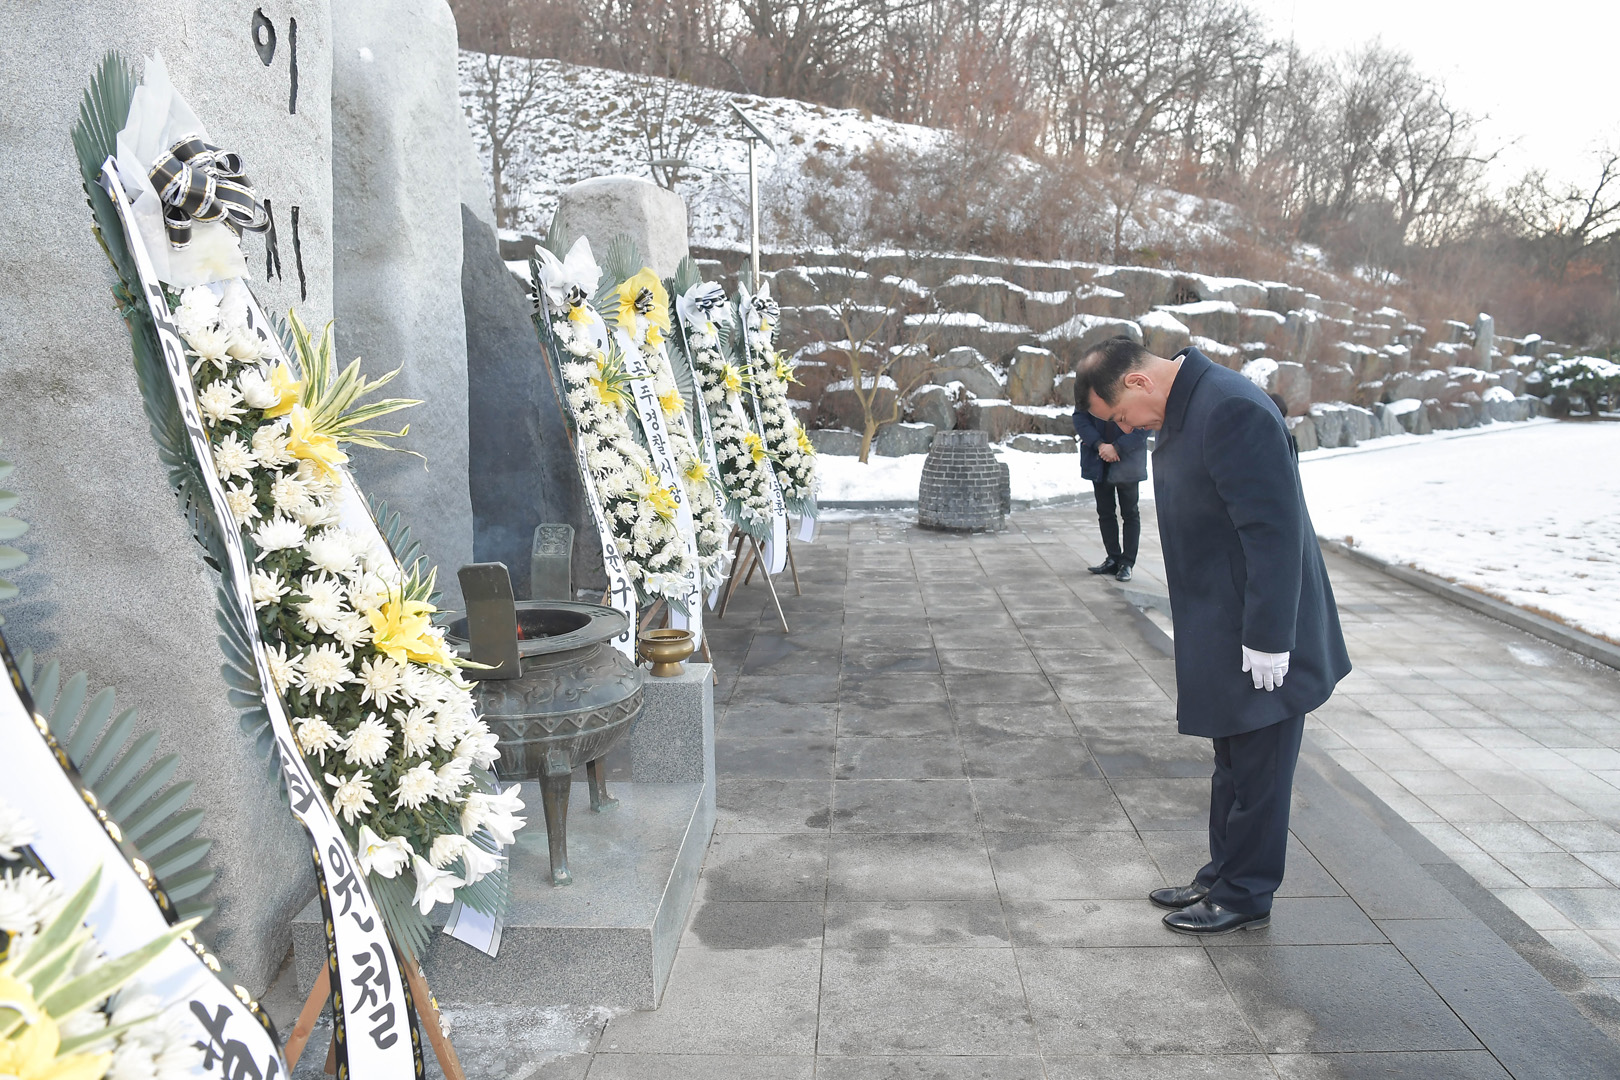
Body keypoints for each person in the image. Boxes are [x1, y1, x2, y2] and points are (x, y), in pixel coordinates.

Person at [1074, 337, 1351, 936]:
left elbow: (1272, 531)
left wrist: (1271, 637)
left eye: (1120, 415)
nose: (1126, 428)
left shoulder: (1229, 407)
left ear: (1139, 382)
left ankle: (1246, 894)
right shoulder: (1191, 403)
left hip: (1264, 630)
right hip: (1226, 621)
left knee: (1260, 770)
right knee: (1233, 762)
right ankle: (1222, 875)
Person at [1073, 400, 1149, 582]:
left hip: (1128, 458)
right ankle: (1113, 557)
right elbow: (1080, 417)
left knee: (1130, 512)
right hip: (1098, 457)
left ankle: (1127, 563)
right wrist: (1100, 445)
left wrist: (1117, 447)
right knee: (1105, 511)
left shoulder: (1136, 385)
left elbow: (1146, 422)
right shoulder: (1090, 385)